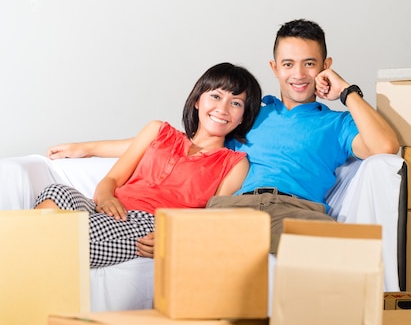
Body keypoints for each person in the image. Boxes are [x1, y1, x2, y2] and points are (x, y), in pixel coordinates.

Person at [49, 19, 399, 257]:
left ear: (326, 65)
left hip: (296, 210)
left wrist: (347, 91)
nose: (299, 74)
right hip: (234, 208)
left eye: (310, 64)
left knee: (342, 250)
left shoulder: (337, 124)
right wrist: (87, 148)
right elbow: (174, 141)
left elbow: (386, 147)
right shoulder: (249, 113)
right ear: (274, 68)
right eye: (288, 64)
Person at [34, 62, 262, 267]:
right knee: (56, 193)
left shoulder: (233, 163)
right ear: (196, 101)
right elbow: (112, 180)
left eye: (235, 103)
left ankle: (22, 255)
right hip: (109, 208)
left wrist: (175, 236)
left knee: (67, 237)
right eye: (215, 96)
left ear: (243, 116)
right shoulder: (158, 132)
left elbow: (214, 217)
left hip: (151, 226)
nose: (222, 109)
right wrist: (105, 198)